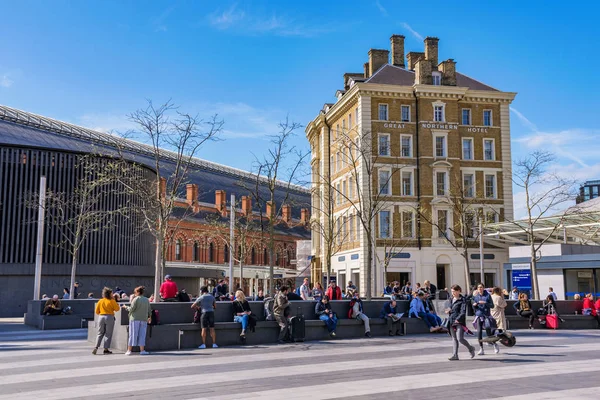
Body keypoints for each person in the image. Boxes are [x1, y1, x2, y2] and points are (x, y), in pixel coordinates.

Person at [447, 284, 476, 361]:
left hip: (459, 322)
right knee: (454, 338)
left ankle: (470, 348)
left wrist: (458, 319)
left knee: (460, 338)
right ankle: (455, 355)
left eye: (455, 291)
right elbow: (450, 307)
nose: (453, 293)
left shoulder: (462, 300)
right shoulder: (450, 299)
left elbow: (463, 311)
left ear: (459, 291)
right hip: (451, 320)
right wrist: (448, 310)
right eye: (452, 291)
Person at [122, 286, 151, 356]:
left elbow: (131, 309)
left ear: (138, 292)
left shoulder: (136, 299)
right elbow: (149, 309)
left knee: (132, 334)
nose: (134, 294)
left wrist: (125, 307)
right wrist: (149, 317)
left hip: (135, 319)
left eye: (135, 292)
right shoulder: (146, 300)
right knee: (142, 335)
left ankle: (129, 350)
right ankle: (142, 350)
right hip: (144, 319)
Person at [93, 287, 120, 355]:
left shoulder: (100, 301)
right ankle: (106, 349)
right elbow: (117, 309)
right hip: (109, 317)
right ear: (109, 294)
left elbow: (96, 311)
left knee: (100, 333)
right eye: (112, 293)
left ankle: (96, 347)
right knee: (108, 334)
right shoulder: (112, 301)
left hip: (101, 317)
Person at [472, 283, 495, 355]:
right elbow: (474, 307)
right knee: (479, 332)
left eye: (481, 287)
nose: (480, 289)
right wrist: (474, 305)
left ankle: (494, 344)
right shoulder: (476, 297)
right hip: (479, 315)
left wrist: (485, 303)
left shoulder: (488, 296)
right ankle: (481, 348)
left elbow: (492, 305)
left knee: (488, 331)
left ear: (483, 288)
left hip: (486, 315)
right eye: (478, 288)